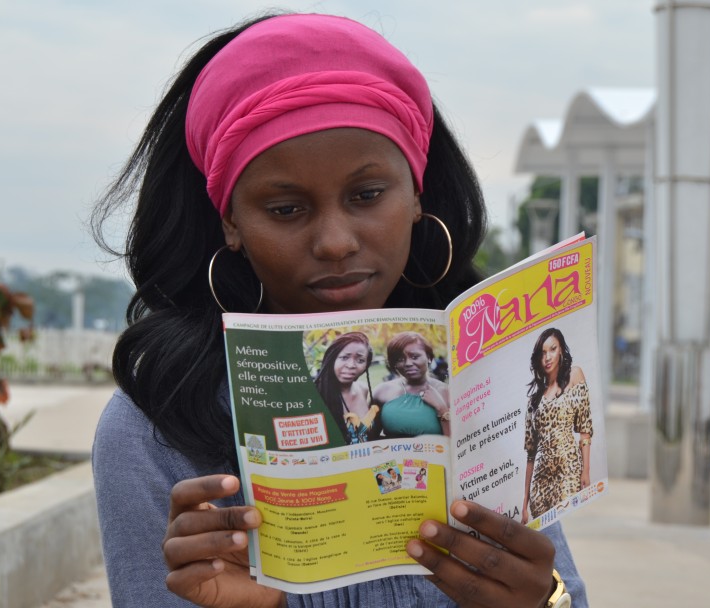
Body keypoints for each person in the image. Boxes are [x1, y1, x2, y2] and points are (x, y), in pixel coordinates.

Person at [90, 11, 588, 607]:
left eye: (367, 195)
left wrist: (545, 599)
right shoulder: (154, 428)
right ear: (230, 221)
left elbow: (567, 598)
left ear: (415, 192)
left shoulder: (485, 387)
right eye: (285, 209)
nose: (335, 241)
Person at [520, 327, 594, 525]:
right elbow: (530, 454)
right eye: (543, 353)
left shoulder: (575, 376)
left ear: (561, 350)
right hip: (540, 481)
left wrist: (585, 471)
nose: (548, 357)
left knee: (564, 529)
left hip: (568, 470)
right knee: (546, 536)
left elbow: (585, 430)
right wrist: (525, 502)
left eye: (552, 349)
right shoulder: (533, 401)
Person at [373, 332, 452, 437]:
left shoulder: (447, 392)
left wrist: (442, 409)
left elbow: (456, 445)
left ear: (428, 357)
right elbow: (370, 438)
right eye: (400, 359)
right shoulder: (381, 392)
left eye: (414, 357)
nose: (408, 363)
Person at [313, 332, 381, 443]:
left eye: (360, 360)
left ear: (366, 365)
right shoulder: (316, 394)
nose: (351, 365)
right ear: (332, 359)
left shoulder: (363, 389)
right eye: (344, 357)